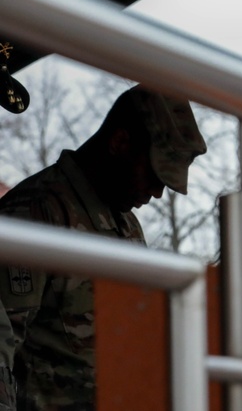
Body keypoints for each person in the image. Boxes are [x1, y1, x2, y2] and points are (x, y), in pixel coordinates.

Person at [0, 84, 207, 410]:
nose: (156, 193)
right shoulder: (36, 214)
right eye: (153, 176)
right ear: (119, 143)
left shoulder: (125, 223)